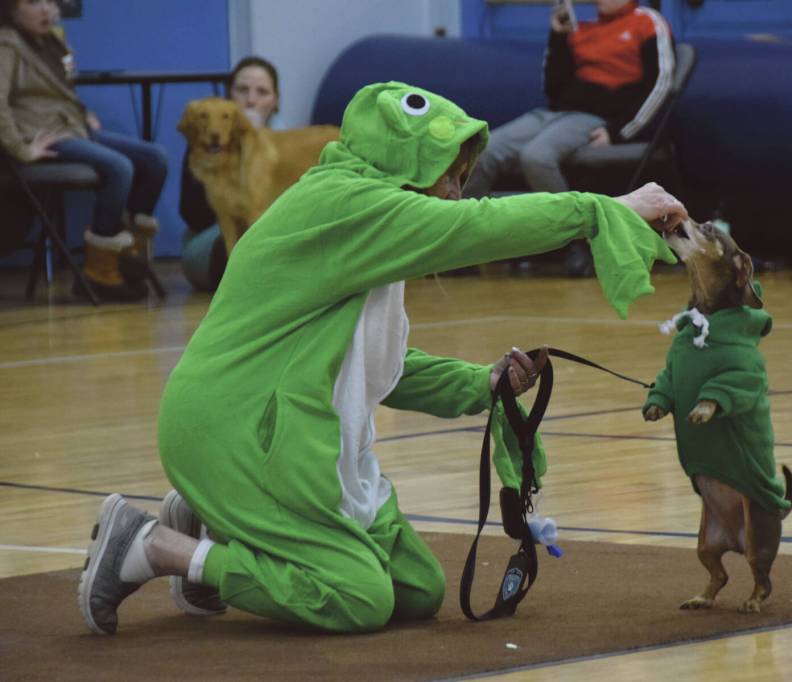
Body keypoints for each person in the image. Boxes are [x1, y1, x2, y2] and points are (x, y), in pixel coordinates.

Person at [77, 81, 688, 635]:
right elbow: (480, 227)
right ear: (402, 160)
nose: (455, 190)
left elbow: (374, 368)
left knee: (416, 591)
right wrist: (603, 210)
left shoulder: (367, 224)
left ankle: (216, 522)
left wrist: (484, 383)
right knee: (355, 597)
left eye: (461, 176)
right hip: (239, 432)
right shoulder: (347, 204)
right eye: (447, 173)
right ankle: (154, 547)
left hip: (271, 429)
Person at [464, 0, 675, 277]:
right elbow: (554, 88)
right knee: (480, 149)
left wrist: (619, 133)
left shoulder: (647, 21)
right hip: (553, 114)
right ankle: (468, 245)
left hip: (595, 119)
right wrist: (559, 36)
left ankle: (575, 243)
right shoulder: (582, 29)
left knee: (536, 156)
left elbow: (661, 85)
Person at [0, 0, 168, 301]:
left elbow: (60, 92)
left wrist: (83, 110)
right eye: (34, 2)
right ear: (11, 8)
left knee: (155, 158)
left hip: (73, 126)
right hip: (44, 133)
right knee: (119, 167)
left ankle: (128, 252)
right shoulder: (7, 43)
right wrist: (21, 150)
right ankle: (99, 271)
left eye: (50, 2)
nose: (46, 10)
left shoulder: (50, 40)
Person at [179, 56, 279, 291]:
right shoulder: (203, 144)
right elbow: (193, 216)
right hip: (211, 237)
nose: (250, 100)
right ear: (229, 96)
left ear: (275, 102)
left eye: (262, 92)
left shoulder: (285, 141)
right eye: (242, 90)